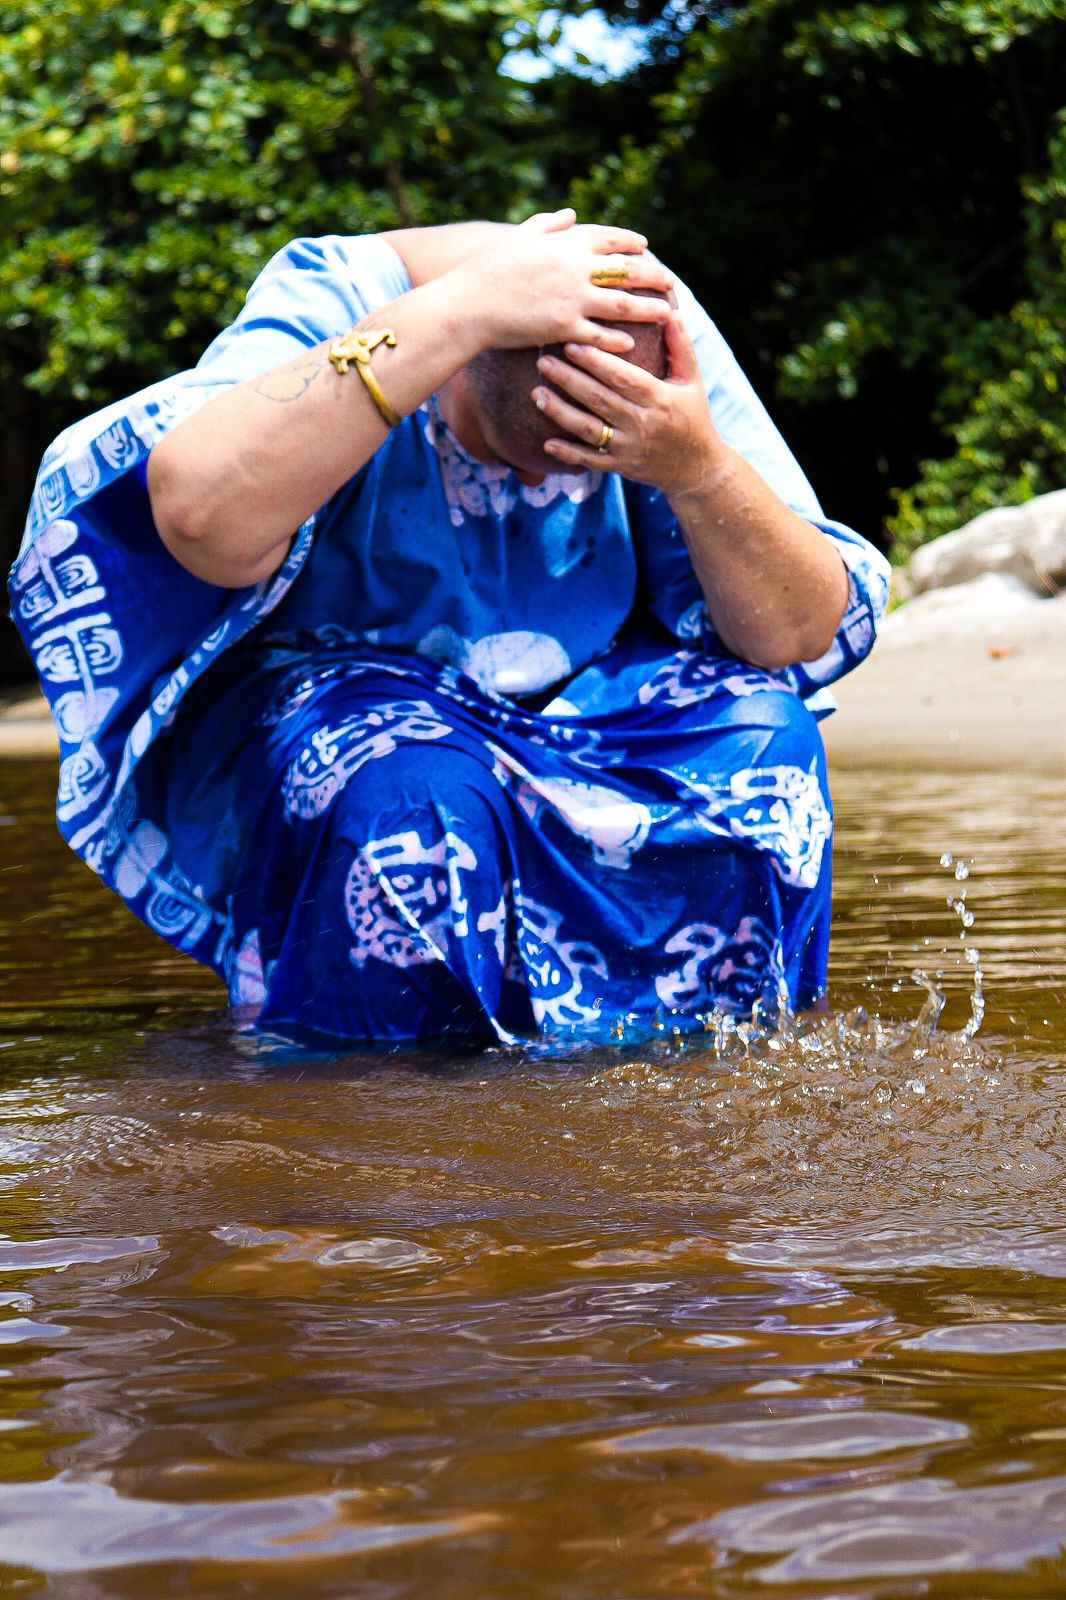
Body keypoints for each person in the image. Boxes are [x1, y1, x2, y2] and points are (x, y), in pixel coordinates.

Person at [9, 210, 890, 1045]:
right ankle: (371, 1091)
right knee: (416, 792)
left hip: (585, 696)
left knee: (765, 740)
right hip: (336, 699)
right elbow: (200, 516)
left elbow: (795, 633)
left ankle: (706, 1056)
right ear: (468, 370)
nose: (554, 480)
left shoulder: (644, 307)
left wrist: (695, 468)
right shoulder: (344, 290)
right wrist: (458, 314)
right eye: (533, 448)